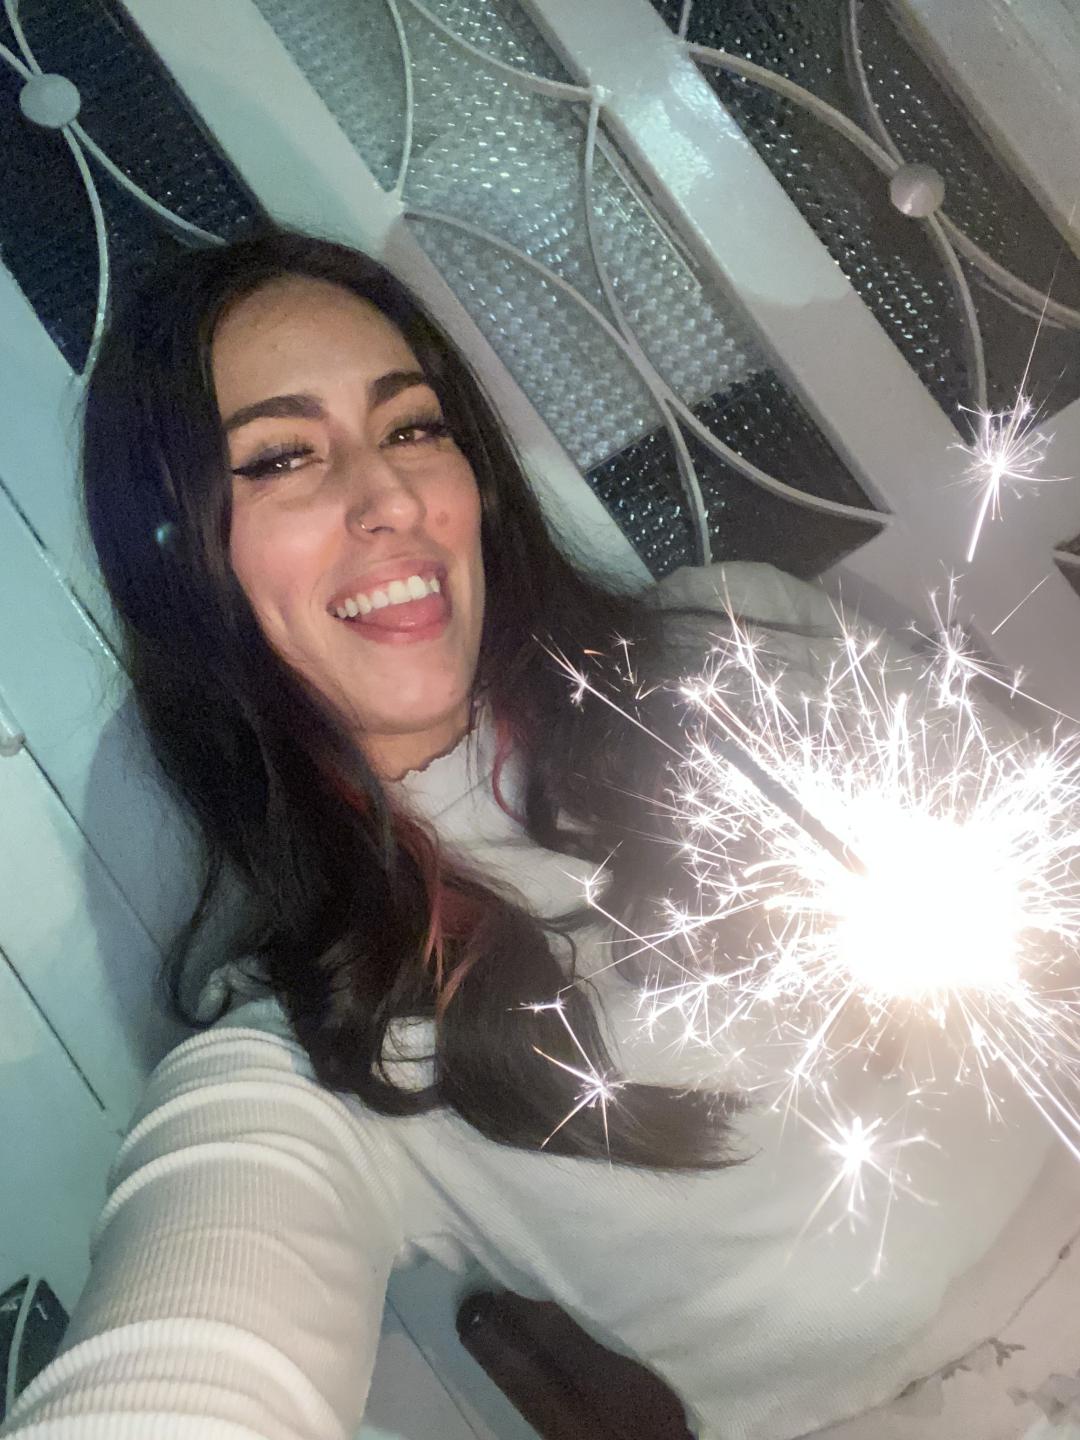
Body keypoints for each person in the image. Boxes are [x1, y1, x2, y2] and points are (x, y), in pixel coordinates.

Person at [4, 228, 1079, 1440]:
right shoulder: (320, 1048)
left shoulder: (741, 640)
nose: (392, 497)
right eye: (282, 457)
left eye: (413, 427)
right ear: (186, 566)